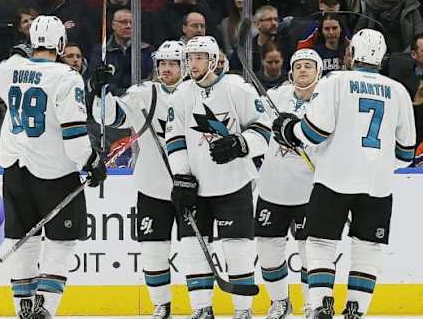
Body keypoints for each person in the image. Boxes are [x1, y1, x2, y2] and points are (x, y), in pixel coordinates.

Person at [271, 29, 416, 319]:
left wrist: (289, 129)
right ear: (382, 57)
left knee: (321, 243)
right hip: (377, 185)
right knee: (368, 247)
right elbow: (406, 153)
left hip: (334, 180)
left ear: (351, 54)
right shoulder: (398, 90)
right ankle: (356, 310)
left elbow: (314, 132)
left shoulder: (336, 81)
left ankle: (323, 303)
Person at [0, 15, 107, 319]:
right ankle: (45, 308)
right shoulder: (66, 76)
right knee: (61, 242)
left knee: (21, 240)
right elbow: (75, 135)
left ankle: (22, 308)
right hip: (55, 172)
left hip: (14, 169)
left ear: (31, 42)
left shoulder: (13, 68)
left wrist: (17, 54)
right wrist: (91, 162)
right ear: (60, 44)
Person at [165, 36, 272, 319]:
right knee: (191, 248)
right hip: (196, 186)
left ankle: (242, 310)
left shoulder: (237, 88)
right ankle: (201, 309)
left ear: (213, 60)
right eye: (189, 58)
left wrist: (242, 144)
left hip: (234, 184)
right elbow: (174, 140)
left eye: (199, 57)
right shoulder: (181, 95)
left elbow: (264, 129)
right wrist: (182, 178)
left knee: (237, 249)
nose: (192, 63)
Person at [92, 40, 187, 319]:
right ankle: (161, 304)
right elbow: (109, 116)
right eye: (162, 63)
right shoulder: (143, 93)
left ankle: (201, 304)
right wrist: (101, 91)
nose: (166, 69)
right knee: (153, 250)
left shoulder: (195, 95)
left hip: (191, 187)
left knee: (194, 250)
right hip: (152, 186)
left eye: (173, 63)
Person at [255, 49, 323, 319]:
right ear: (291, 71)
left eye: (308, 65)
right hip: (272, 190)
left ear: (319, 71)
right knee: (268, 249)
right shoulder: (274, 98)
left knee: (312, 252)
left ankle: (311, 303)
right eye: (298, 66)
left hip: (310, 192)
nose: (303, 70)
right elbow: (257, 131)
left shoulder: (327, 102)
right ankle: (280, 302)